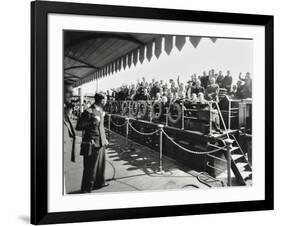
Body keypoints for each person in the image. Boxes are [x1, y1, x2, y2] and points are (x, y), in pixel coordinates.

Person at [76, 93, 109, 193]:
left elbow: (101, 127)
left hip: (101, 142)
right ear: (101, 100)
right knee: (90, 167)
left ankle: (99, 183)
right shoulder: (88, 111)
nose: (106, 101)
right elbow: (79, 126)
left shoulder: (101, 111)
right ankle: (86, 189)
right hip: (92, 143)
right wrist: (92, 122)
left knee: (100, 165)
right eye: (105, 100)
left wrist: (105, 139)